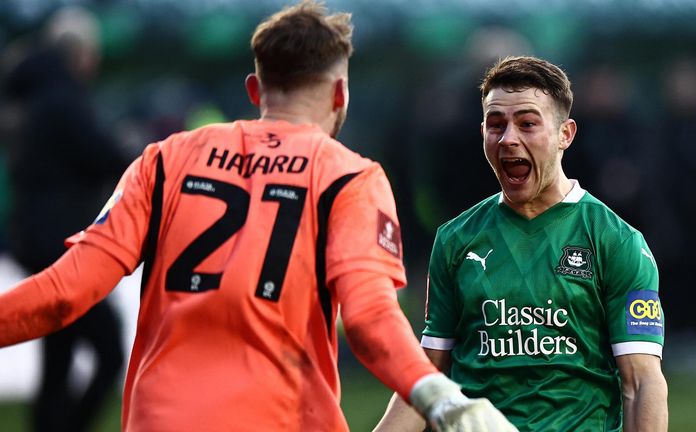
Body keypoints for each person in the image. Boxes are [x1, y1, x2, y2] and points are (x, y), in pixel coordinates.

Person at [0, 2, 515, 431]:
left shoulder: (163, 160)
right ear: (340, 95)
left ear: (254, 91)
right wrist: (439, 396)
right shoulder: (349, 177)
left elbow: (66, 291)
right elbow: (369, 317)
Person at [374, 56, 668, 432]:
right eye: (496, 125)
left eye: (528, 124)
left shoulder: (616, 240)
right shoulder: (455, 239)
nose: (509, 138)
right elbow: (428, 376)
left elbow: (642, 383)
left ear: (566, 134)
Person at [2, 7, 126, 432]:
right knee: (109, 346)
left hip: (30, 234)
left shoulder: (28, 96)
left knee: (60, 350)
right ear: (79, 53)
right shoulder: (62, 99)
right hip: (59, 241)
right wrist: (144, 158)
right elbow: (101, 155)